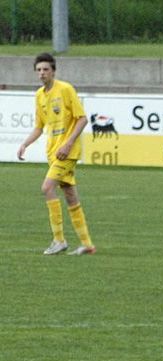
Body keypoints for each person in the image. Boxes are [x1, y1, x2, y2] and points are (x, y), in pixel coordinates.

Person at [16, 53, 96, 256]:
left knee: (47, 187)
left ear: (53, 71)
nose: (42, 73)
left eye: (46, 69)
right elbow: (39, 127)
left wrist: (68, 144)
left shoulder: (66, 89)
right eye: (39, 70)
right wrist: (25, 144)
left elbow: (82, 119)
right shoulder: (39, 95)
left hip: (67, 152)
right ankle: (87, 244)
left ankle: (59, 240)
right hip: (53, 152)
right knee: (70, 194)